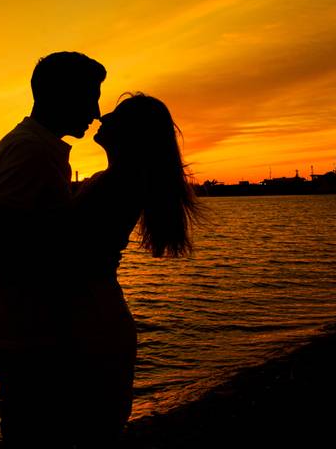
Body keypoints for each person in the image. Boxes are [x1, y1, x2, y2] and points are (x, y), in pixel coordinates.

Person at [0, 51, 106, 447]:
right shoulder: (31, 152)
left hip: (25, 329)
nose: (97, 111)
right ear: (59, 95)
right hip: (30, 334)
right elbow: (4, 246)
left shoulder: (33, 147)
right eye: (90, 96)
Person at [68, 92, 201, 447]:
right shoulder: (113, 180)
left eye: (116, 114)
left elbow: (62, 249)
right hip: (98, 318)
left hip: (93, 324)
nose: (102, 117)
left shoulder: (117, 185)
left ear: (131, 133)